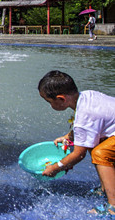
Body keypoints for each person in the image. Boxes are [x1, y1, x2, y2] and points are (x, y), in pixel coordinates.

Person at [38, 70, 115, 216]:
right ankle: (107, 187)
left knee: (101, 153)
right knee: (96, 144)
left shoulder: (84, 117)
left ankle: (113, 207)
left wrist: (56, 167)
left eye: (49, 102)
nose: (50, 105)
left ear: (61, 99)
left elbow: (79, 154)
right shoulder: (87, 96)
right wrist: (69, 136)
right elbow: (92, 125)